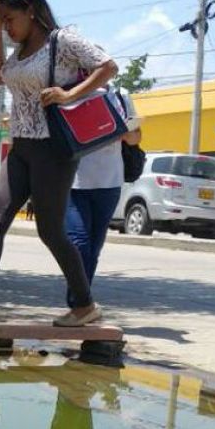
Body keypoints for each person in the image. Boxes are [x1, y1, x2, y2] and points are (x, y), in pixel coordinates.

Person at [0, 0, 117, 327]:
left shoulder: (63, 41)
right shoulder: (19, 53)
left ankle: (85, 306)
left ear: (30, 10)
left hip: (53, 151)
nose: (7, 27)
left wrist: (69, 94)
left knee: (51, 232)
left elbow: (108, 66)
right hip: (21, 148)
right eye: (2, 21)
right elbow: (0, 76)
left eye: (10, 19)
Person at [64, 88, 140, 305]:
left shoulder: (120, 95)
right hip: (74, 181)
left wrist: (122, 131)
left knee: (94, 248)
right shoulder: (69, 91)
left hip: (110, 182)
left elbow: (136, 137)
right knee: (78, 242)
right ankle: (82, 302)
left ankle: (78, 303)